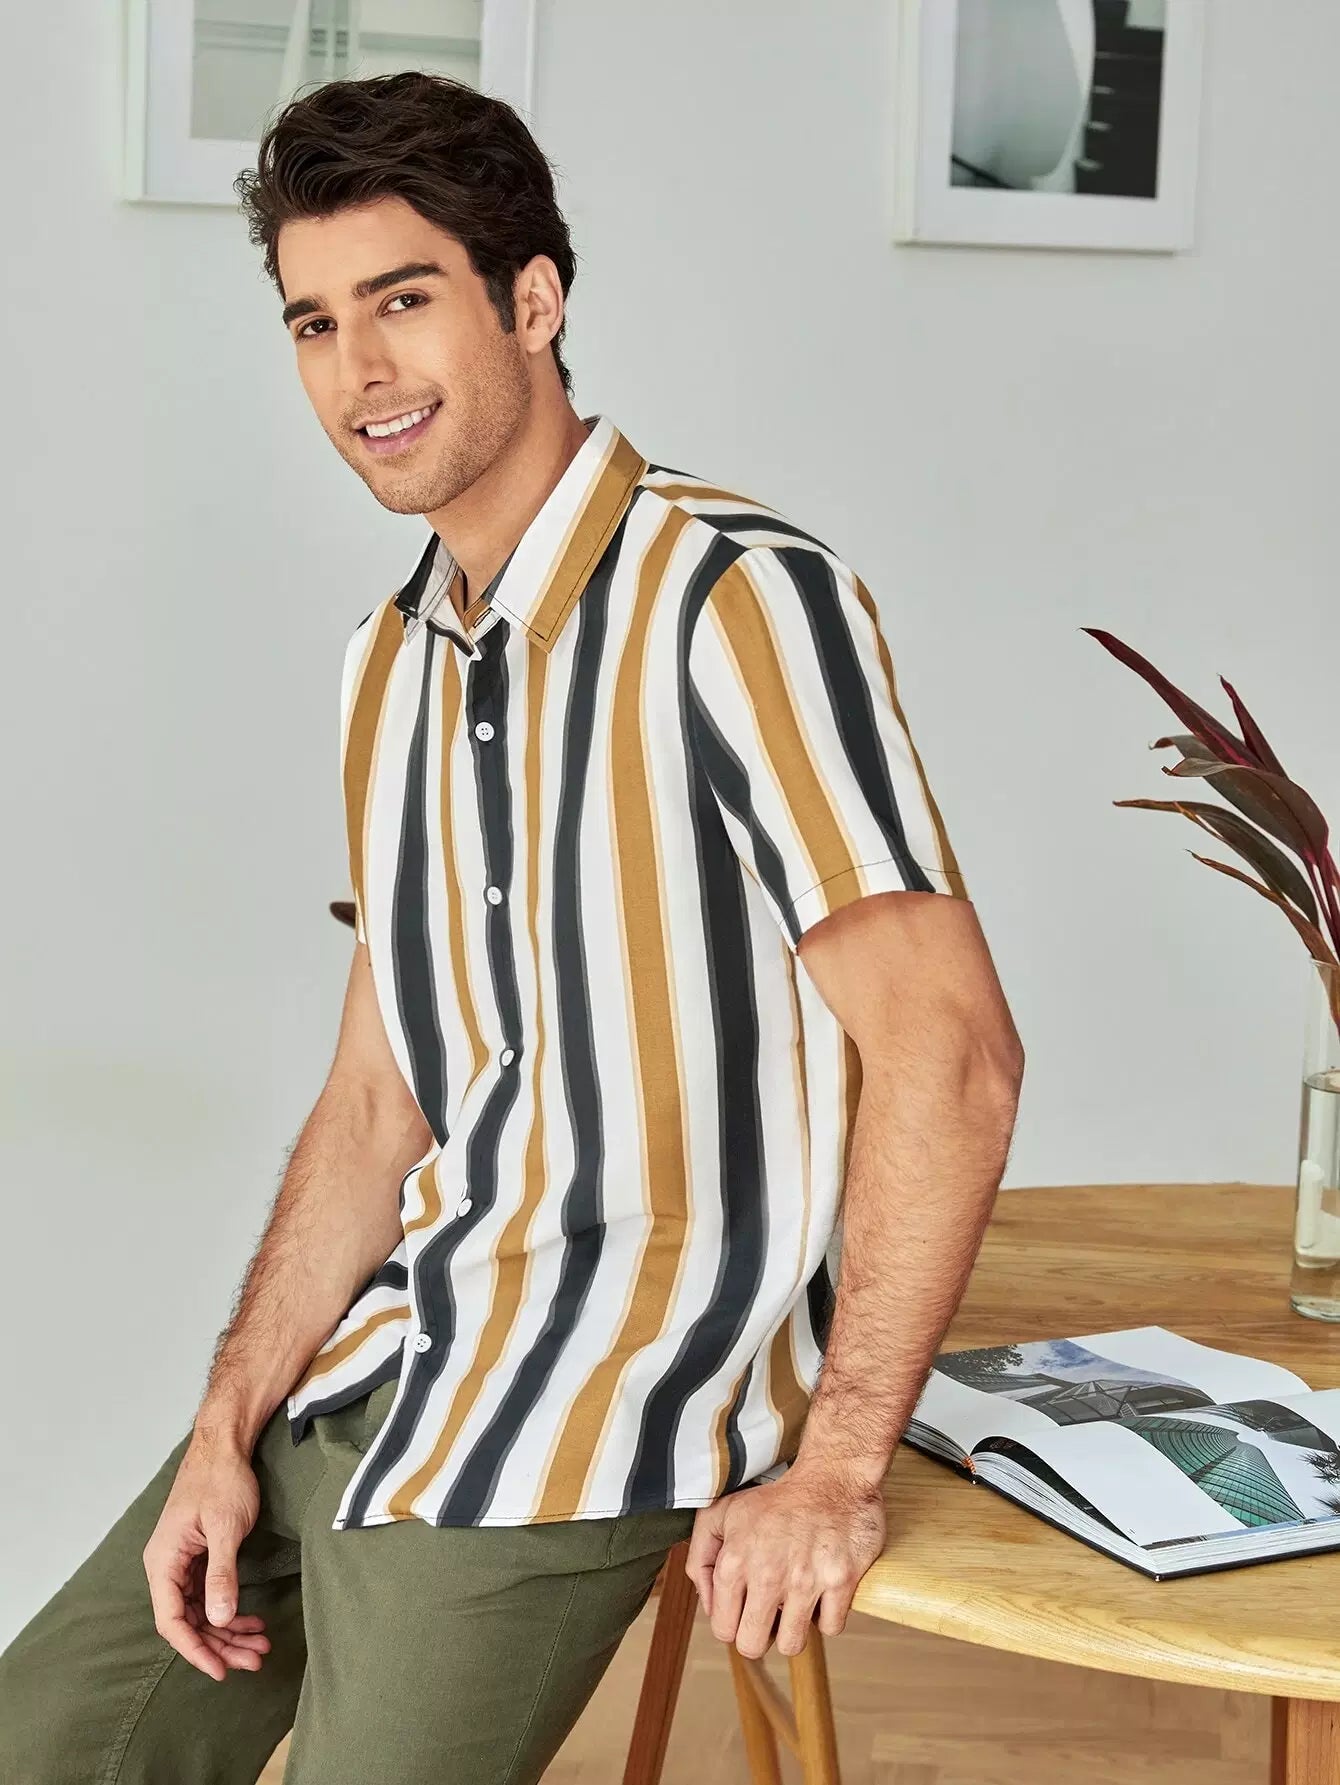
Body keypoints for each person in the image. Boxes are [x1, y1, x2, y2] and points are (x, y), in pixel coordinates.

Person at [0, 69, 1024, 1785]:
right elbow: (375, 1098)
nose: (360, 372)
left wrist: (841, 1466)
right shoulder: (387, 665)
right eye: (314, 323)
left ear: (532, 300)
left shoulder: (736, 599)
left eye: (403, 301)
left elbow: (955, 1050)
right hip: (382, 1365)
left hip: (589, 1415)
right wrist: (224, 1421)